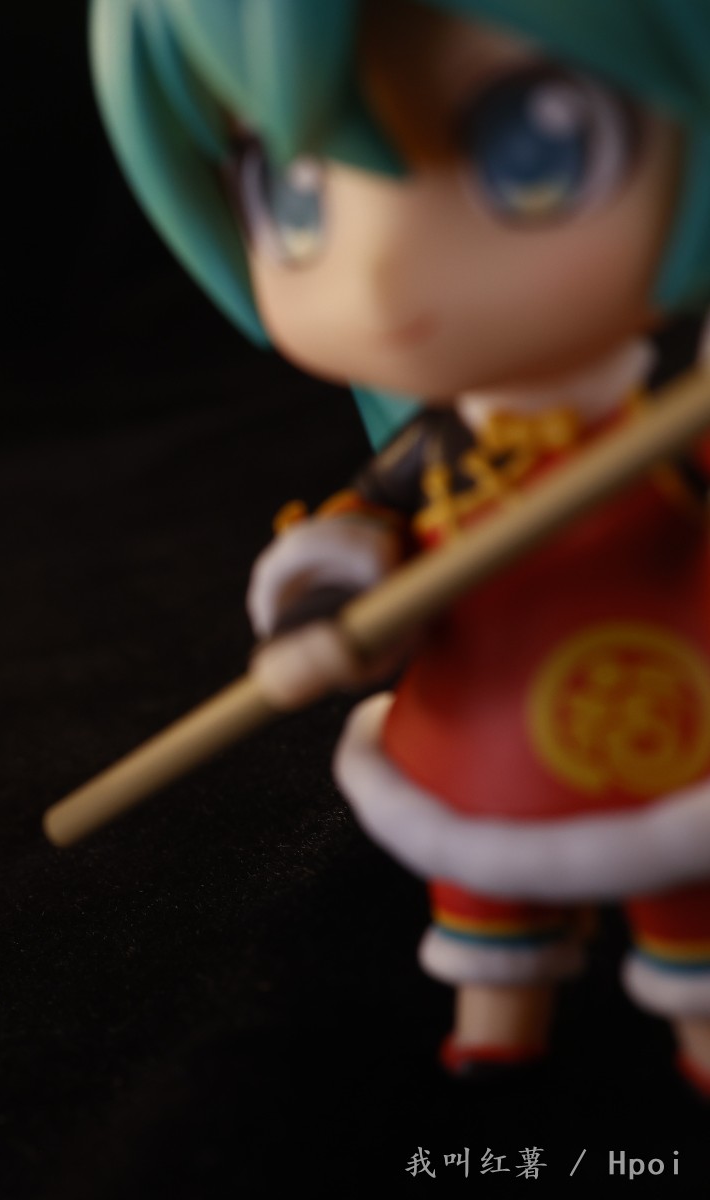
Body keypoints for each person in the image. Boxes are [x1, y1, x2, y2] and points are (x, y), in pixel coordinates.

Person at [93, 0, 710, 1088]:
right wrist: (320, 615)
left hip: (660, 698)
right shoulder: (437, 449)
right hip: (477, 715)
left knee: (686, 886)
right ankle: (496, 1036)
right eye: (295, 195)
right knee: (484, 889)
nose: (380, 280)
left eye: (534, 145)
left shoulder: (671, 420)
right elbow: (359, 529)